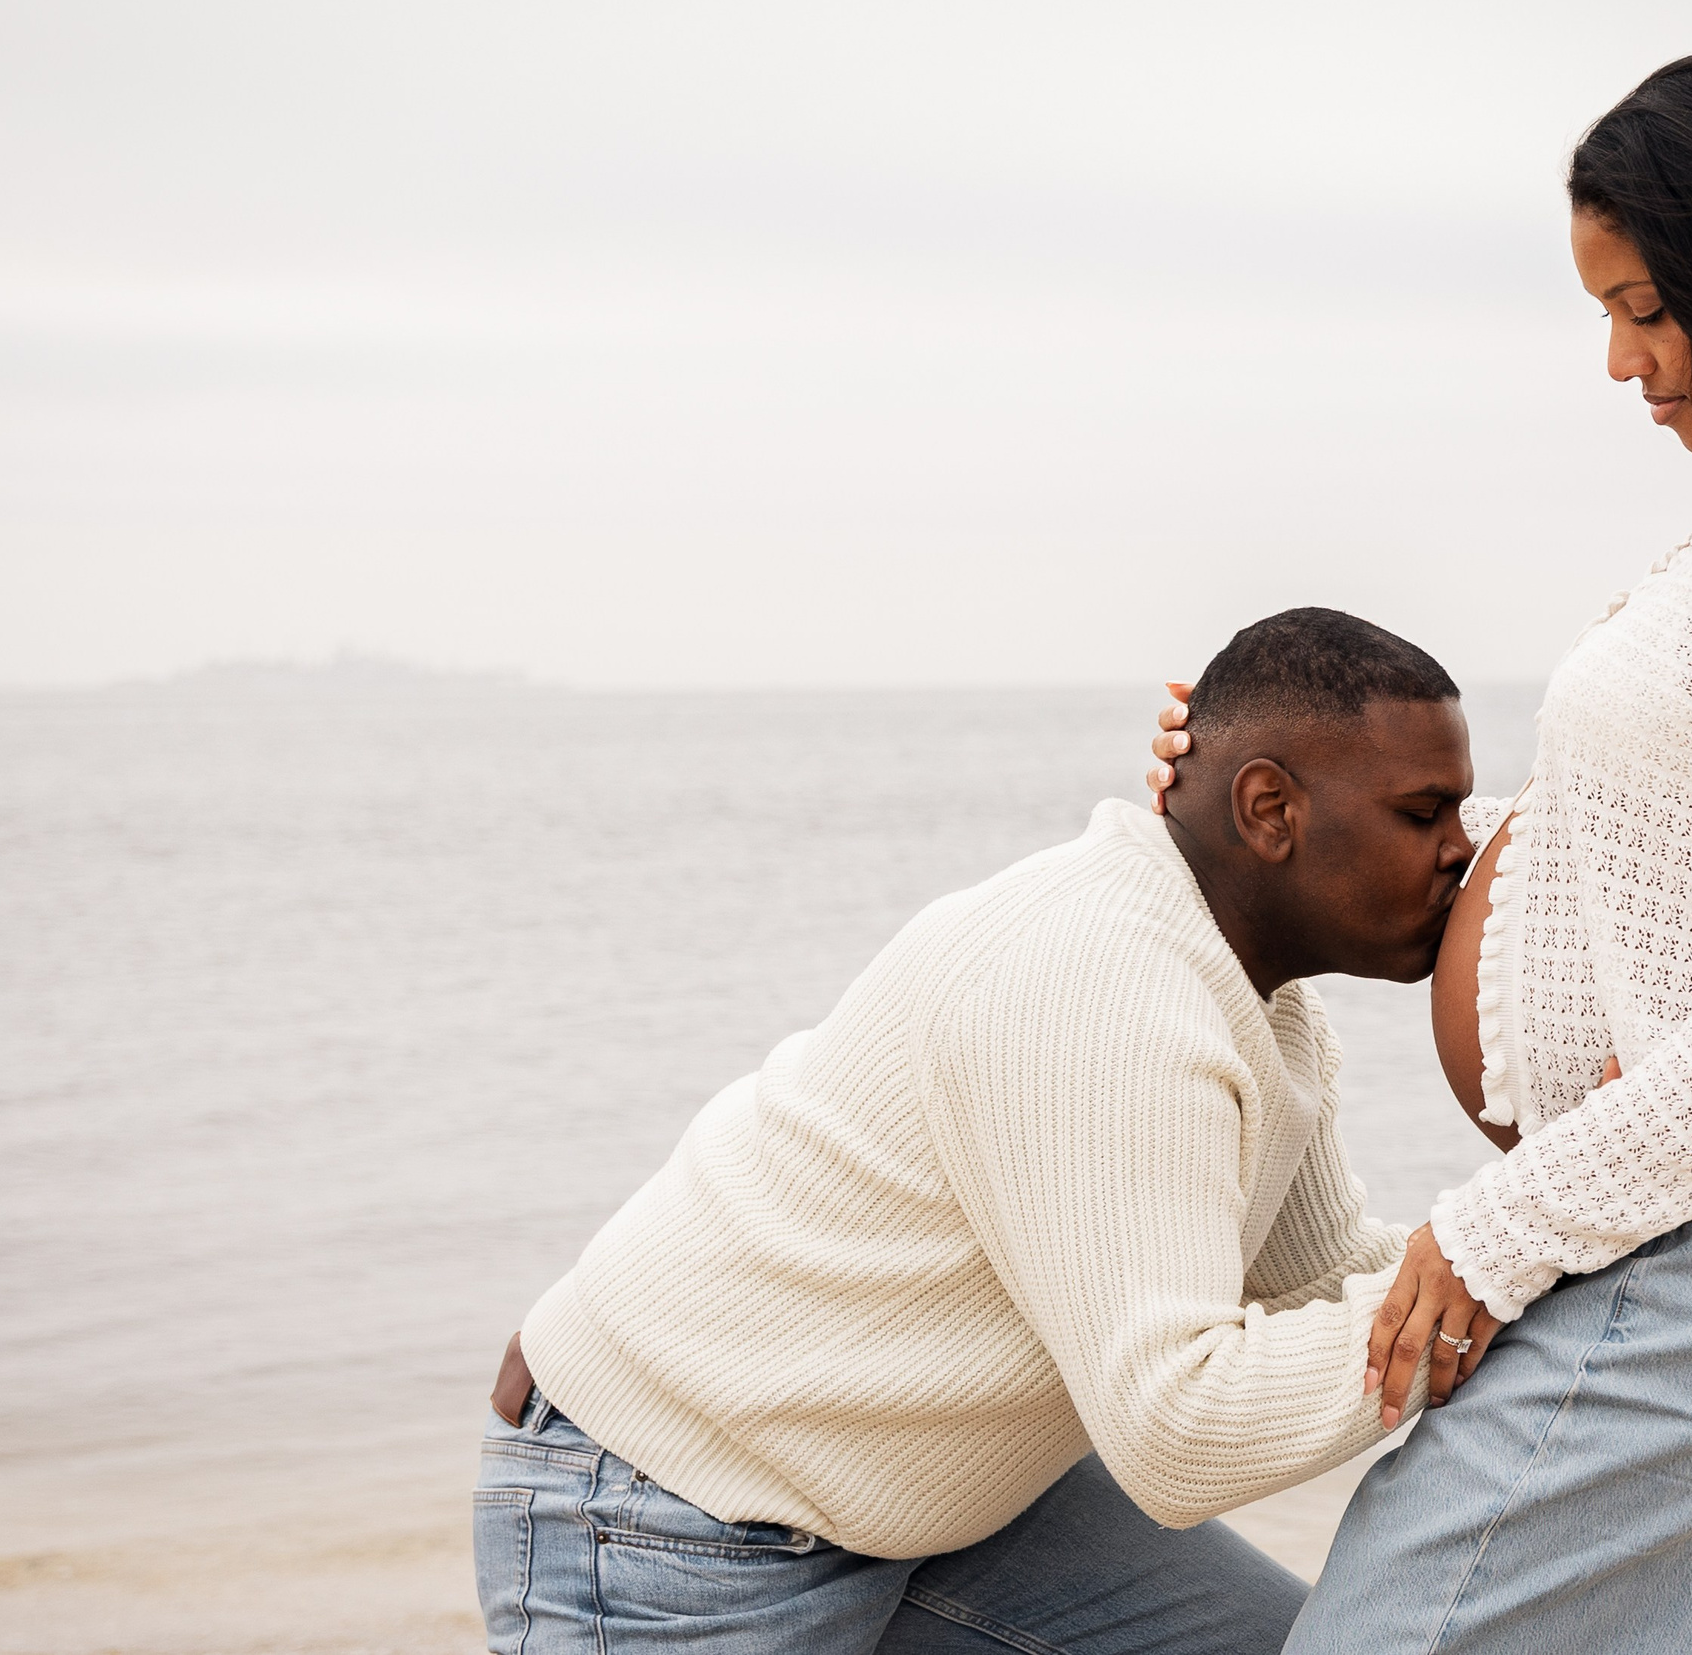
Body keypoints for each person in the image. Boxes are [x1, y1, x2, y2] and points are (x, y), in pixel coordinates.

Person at [1149, 53, 1692, 1653]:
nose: (1622, 361)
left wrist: (1502, 1229)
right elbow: (1662, 869)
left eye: (1643, 306)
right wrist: (1251, 790)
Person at [475, 608, 1481, 1654]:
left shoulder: (1254, 994)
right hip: (675, 1511)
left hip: (938, 1501)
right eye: (1425, 814)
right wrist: (1484, 1279)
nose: (1461, 849)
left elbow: (1316, 1274)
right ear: (1268, 808)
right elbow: (1182, 1432)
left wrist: (1537, 1253)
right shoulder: (1105, 989)